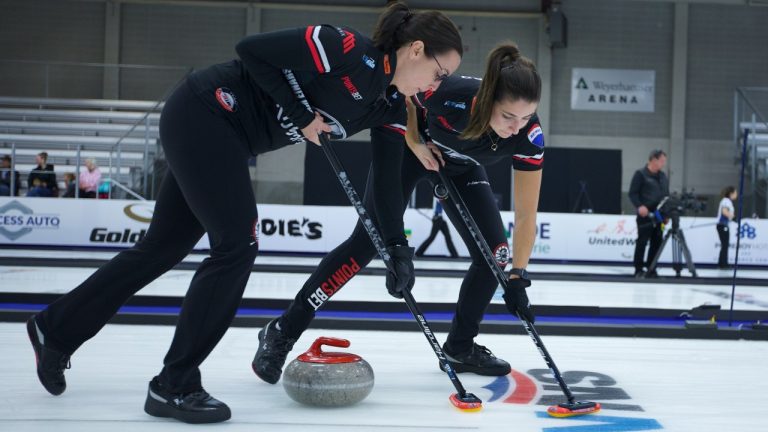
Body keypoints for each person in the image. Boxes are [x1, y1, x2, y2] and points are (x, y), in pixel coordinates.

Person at [25, 2, 462, 424]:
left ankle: (55, 330)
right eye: (438, 73)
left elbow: (386, 182)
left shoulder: (388, 107)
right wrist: (300, 113)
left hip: (227, 141)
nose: (434, 86)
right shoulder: (344, 47)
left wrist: (398, 249)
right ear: (417, 49)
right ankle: (174, 383)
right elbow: (252, 49)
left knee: (163, 247)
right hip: (206, 111)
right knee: (237, 244)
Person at [252, 43, 542, 384]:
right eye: (508, 116)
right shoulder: (452, 95)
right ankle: (284, 329)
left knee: (496, 255)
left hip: (460, 168)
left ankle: (460, 348)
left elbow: (525, 215)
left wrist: (518, 275)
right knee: (366, 244)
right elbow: (404, 96)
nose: (516, 126)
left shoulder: (529, 137)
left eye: (525, 117)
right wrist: (417, 140)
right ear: (489, 98)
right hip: (409, 153)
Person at [628, 149, 669, 278]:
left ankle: (651, 268)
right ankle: (638, 269)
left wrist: (666, 215)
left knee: (657, 242)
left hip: (659, 216)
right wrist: (639, 206)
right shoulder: (640, 174)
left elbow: (666, 196)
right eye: (662, 161)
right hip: (645, 216)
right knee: (642, 241)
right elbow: (632, 193)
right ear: (654, 160)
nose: (663, 164)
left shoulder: (663, 176)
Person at [716, 186, 737, 269]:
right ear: (731, 193)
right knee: (725, 244)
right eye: (735, 193)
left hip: (724, 225)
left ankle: (722, 263)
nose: (736, 195)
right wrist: (733, 217)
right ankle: (723, 264)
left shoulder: (727, 201)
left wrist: (732, 217)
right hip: (722, 225)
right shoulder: (726, 201)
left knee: (724, 244)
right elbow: (724, 212)